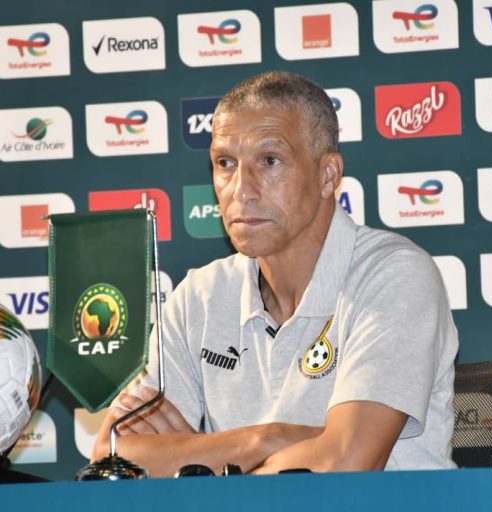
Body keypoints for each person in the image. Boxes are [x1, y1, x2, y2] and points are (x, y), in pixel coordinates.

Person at [91, 71, 459, 477]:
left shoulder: (393, 275)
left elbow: (347, 462)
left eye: (269, 161)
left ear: (328, 175)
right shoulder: (200, 295)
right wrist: (265, 439)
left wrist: (201, 463)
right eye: (225, 163)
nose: (241, 189)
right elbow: (113, 458)